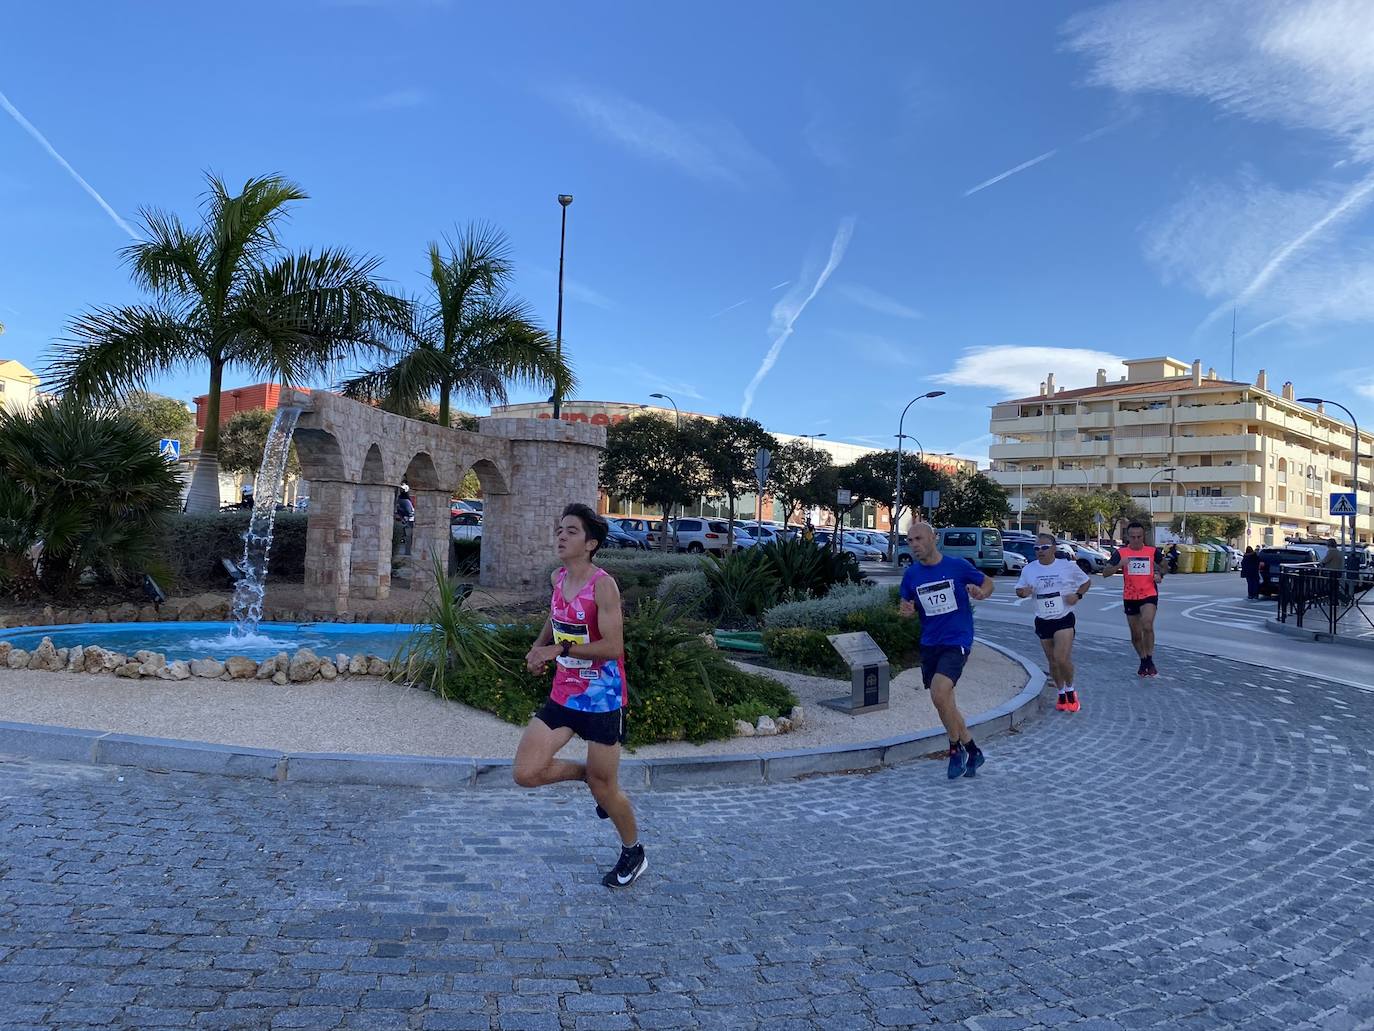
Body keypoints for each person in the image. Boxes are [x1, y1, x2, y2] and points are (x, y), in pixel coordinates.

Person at [513, 503, 646, 889]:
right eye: (559, 529)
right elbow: (554, 617)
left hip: (602, 700)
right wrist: (538, 647)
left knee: (608, 789)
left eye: (571, 531)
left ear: (590, 544)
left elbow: (613, 647)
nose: (561, 536)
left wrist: (559, 650)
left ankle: (633, 851)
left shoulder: (603, 585)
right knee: (525, 773)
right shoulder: (558, 577)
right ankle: (588, 776)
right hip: (564, 695)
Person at [898, 520, 996, 779]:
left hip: (957, 640)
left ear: (934, 538)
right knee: (944, 702)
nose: (914, 545)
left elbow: (988, 582)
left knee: (940, 693)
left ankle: (954, 749)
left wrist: (981, 592)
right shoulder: (912, 575)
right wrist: (906, 611)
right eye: (910, 541)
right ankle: (972, 749)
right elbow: (905, 605)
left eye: (919, 539)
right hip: (930, 643)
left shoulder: (957, 566)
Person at [1015, 531, 1090, 712]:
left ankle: (1071, 690)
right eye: (1037, 548)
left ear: (1054, 548)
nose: (1040, 551)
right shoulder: (1029, 569)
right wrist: (1023, 592)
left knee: (1061, 658)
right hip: (1042, 619)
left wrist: (1077, 595)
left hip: (1064, 618)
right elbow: (1019, 589)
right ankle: (1061, 693)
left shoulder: (1067, 566)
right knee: (1052, 661)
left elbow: (1086, 582)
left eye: (1044, 547)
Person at [1103, 521, 1165, 677]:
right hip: (1130, 596)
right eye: (1133, 537)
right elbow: (1105, 573)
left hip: (1149, 594)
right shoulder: (1121, 553)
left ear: (1143, 536)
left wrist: (1160, 574)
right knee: (1136, 635)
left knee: (1147, 625)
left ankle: (1149, 659)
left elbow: (1165, 565)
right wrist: (1119, 565)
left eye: (1139, 536)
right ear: (1127, 537)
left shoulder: (1152, 551)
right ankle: (1143, 660)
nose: (1136, 540)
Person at [394, 483, 415, 556]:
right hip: (405, 520)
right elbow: (410, 512)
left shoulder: (401, 500)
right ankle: (407, 553)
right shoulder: (405, 501)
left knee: (406, 536)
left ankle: (406, 552)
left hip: (404, 520)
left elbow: (409, 512)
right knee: (407, 537)